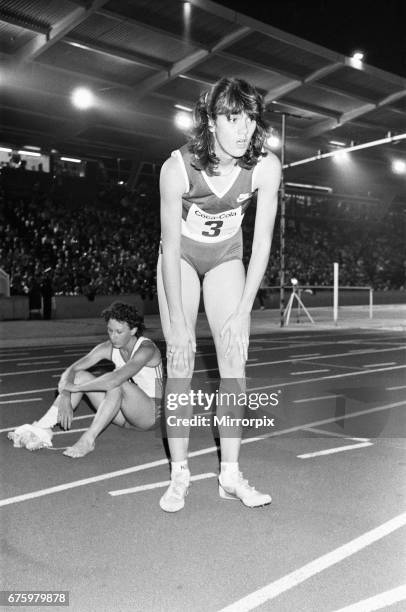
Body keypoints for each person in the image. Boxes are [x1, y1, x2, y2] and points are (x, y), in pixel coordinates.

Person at [157, 77, 281, 512]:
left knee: (233, 358)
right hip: (183, 261)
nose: (243, 128)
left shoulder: (266, 166)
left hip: (227, 257)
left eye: (249, 117)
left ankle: (230, 473)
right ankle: (179, 474)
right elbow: (171, 248)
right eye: (232, 118)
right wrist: (177, 322)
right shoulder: (177, 168)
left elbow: (262, 242)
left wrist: (245, 311)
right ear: (211, 122)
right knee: (180, 358)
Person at [8, 301, 163, 457]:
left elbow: (115, 379)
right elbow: (72, 370)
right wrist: (66, 396)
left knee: (117, 383)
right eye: (110, 330)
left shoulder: (146, 349)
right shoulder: (107, 347)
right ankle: (42, 429)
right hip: (123, 417)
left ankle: (88, 440)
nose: (113, 336)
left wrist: (75, 388)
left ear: (133, 330)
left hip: (150, 415)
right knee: (80, 376)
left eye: (119, 332)